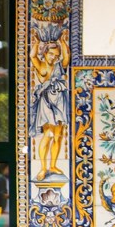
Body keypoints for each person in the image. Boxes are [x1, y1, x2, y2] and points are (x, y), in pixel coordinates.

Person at [30, 27, 69, 180]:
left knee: (58, 136)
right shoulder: (41, 66)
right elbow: (32, 56)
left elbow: (66, 58)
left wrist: (63, 41)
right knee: (48, 134)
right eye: (51, 54)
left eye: (56, 55)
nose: (53, 58)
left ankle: (53, 165)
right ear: (45, 53)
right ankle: (43, 168)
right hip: (46, 102)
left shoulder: (59, 66)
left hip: (59, 101)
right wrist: (36, 42)